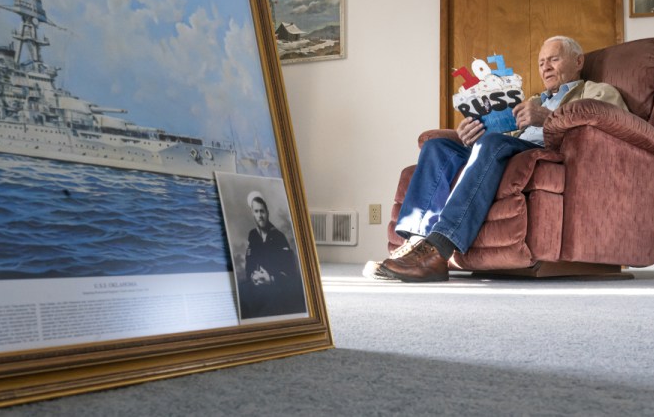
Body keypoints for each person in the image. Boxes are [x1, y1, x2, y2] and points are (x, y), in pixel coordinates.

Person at [364, 36, 628, 282]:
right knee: (437, 147)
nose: (546, 67)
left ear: (578, 61)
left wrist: (547, 118)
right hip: (502, 145)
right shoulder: (532, 99)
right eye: (541, 62)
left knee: (492, 143)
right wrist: (469, 135)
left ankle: (440, 249)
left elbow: (607, 125)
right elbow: (504, 134)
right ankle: (414, 246)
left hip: (539, 151)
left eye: (554, 59)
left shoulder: (596, 91)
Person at [239, 191, 305, 318]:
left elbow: (290, 273)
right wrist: (252, 276)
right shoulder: (252, 235)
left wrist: (271, 279)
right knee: (241, 293)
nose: (260, 215)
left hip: (276, 287)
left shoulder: (278, 237)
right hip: (258, 284)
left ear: (267, 212)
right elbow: (250, 263)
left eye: (262, 211)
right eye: (256, 211)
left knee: (266, 308)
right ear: (253, 213)